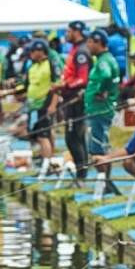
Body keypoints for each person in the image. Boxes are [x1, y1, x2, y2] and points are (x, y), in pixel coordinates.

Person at [83, 30, 124, 192]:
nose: (88, 45)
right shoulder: (107, 59)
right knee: (100, 146)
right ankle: (106, 182)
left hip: (99, 111)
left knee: (97, 148)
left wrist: (101, 90)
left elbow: (106, 75)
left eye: (90, 42)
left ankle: (107, 184)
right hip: (101, 110)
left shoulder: (103, 61)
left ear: (98, 42)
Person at [58, 21, 93, 176]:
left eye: (68, 31)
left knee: (73, 137)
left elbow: (83, 79)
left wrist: (65, 85)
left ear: (76, 32)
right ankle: (82, 171)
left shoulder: (81, 52)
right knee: (76, 136)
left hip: (76, 100)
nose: (66, 34)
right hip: (70, 98)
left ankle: (81, 172)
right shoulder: (75, 49)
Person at [20, 40, 58, 165]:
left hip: (45, 105)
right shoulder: (32, 66)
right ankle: (46, 159)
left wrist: (53, 104)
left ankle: (47, 165)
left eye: (33, 51)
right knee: (35, 135)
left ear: (41, 51)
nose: (30, 53)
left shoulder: (50, 65)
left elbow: (56, 86)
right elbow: (26, 87)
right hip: (33, 106)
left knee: (43, 136)